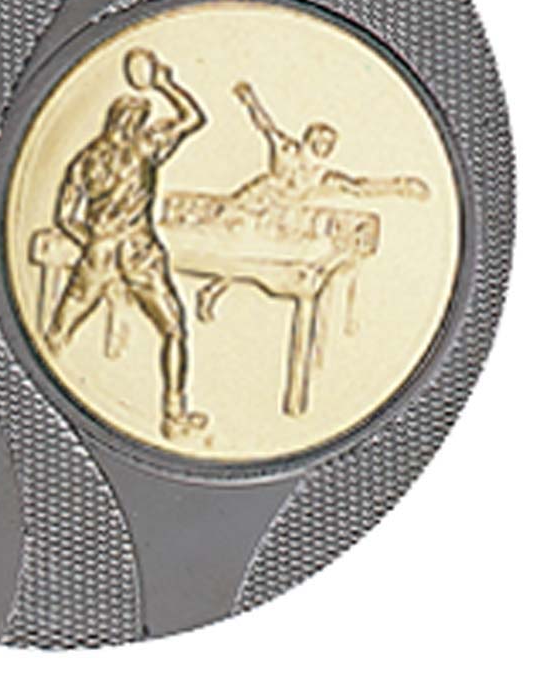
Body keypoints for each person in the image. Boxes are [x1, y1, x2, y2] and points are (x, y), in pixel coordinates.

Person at [46, 54, 208, 438]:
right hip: (139, 252)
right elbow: (192, 118)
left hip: (100, 252)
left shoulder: (86, 159)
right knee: (173, 329)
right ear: (136, 124)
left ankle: (35, 392)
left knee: (58, 330)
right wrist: (165, 83)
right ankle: (174, 415)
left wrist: (93, 240)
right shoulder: (145, 148)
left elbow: (65, 216)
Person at [231, 81, 429, 209]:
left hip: (288, 209)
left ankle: (404, 187)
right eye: (323, 141)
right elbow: (266, 126)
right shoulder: (286, 149)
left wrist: (401, 186)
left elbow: (358, 188)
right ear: (310, 139)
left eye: (329, 143)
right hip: (259, 195)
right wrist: (250, 100)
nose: (327, 146)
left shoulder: (321, 177)